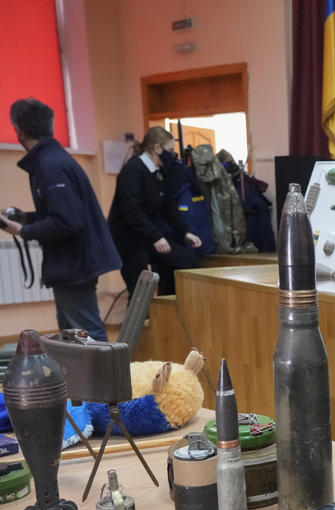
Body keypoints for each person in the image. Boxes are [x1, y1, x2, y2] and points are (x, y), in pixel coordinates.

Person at [1, 98, 121, 341]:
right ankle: (84, 379)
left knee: (85, 334)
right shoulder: (53, 160)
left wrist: (23, 231)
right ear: (51, 126)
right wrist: (26, 218)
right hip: (73, 261)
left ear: (19, 131)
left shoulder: (50, 165)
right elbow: (63, 212)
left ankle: (106, 379)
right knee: (71, 332)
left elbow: (68, 220)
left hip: (75, 263)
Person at [108, 126, 202, 297]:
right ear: (157, 148)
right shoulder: (133, 170)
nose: (174, 156)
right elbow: (132, 211)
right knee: (140, 292)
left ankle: (169, 310)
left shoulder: (160, 172)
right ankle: (141, 321)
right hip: (129, 239)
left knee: (188, 262)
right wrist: (156, 237)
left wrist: (184, 232)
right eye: (170, 151)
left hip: (148, 235)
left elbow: (168, 206)